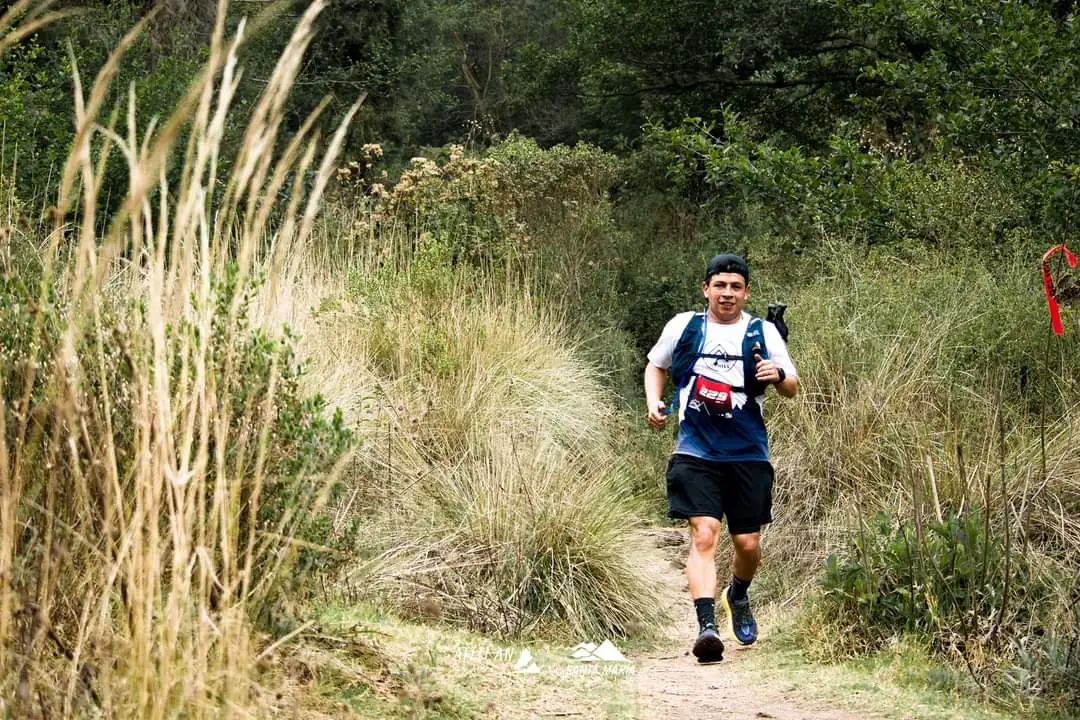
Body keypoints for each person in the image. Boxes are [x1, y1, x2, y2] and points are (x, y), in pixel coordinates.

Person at [644, 253, 798, 663]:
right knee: (704, 534)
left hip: (748, 450)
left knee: (747, 543)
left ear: (745, 292)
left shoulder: (762, 331)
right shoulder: (684, 326)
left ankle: (739, 594)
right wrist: (653, 401)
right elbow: (655, 365)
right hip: (695, 447)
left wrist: (777, 376)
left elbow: (793, 385)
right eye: (720, 285)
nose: (727, 293)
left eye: (735, 286)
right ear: (706, 288)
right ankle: (707, 627)